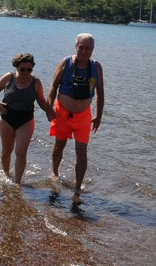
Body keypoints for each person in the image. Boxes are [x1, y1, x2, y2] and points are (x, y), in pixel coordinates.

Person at [47, 33, 104, 194]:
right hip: (62, 113)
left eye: (88, 48)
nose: (84, 52)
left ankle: (78, 187)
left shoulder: (96, 67)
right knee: (59, 145)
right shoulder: (65, 63)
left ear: (92, 49)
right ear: (76, 47)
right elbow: (53, 87)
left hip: (83, 116)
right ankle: (55, 173)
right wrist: (49, 107)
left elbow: (100, 93)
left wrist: (99, 116)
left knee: (82, 151)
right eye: (81, 48)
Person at [0, 53, 52, 184]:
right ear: (16, 68)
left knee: (21, 152)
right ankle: (6, 174)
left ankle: (17, 183)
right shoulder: (9, 77)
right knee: (6, 151)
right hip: (7, 117)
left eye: (29, 69)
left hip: (26, 120)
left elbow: (41, 100)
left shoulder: (36, 82)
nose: (26, 72)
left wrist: (49, 111)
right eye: (22, 69)